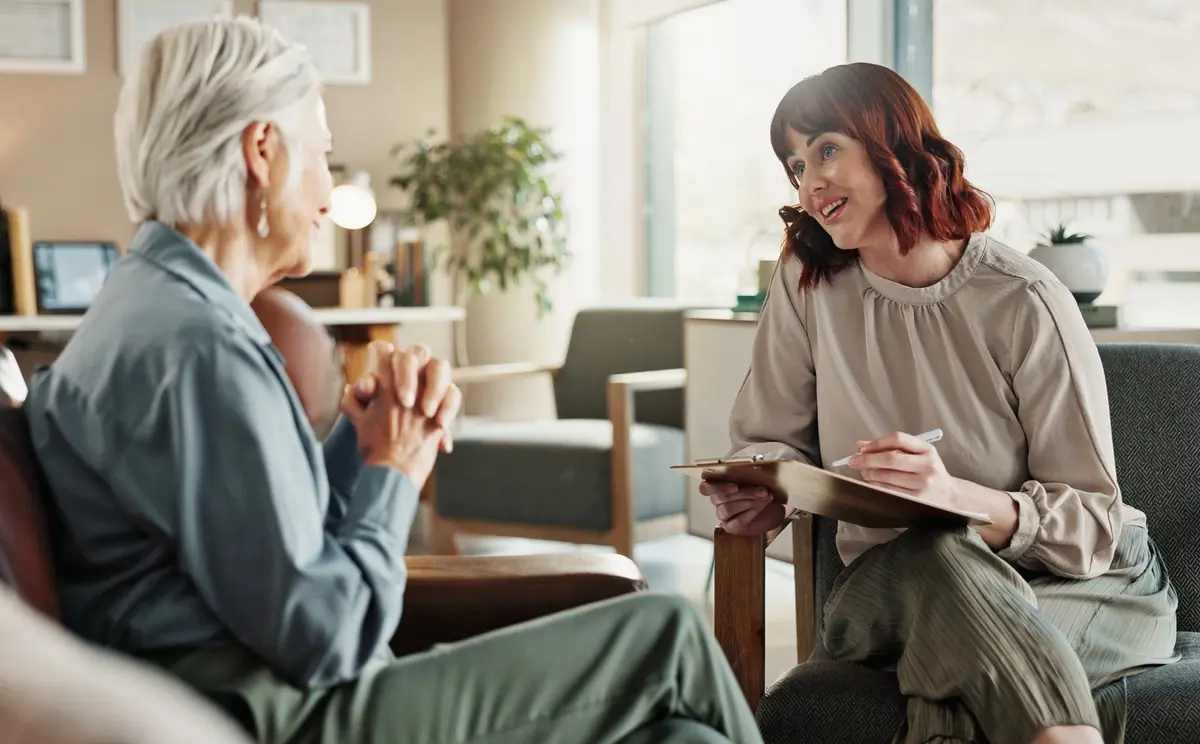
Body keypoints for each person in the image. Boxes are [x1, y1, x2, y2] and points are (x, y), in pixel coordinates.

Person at [21, 17, 761, 744]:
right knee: (667, 633)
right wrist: (393, 467)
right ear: (263, 150)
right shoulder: (197, 346)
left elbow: (256, 540)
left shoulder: (150, 305)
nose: (325, 187)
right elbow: (323, 634)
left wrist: (358, 441)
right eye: (322, 152)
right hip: (274, 708)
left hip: (252, 680)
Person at [702, 62, 1178, 744]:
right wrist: (765, 489)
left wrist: (952, 496)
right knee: (941, 556)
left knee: (963, 679)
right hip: (894, 586)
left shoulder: (1023, 298)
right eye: (795, 165)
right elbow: (768, 439)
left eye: (826, 149)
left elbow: (1095, 525)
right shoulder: (808, 289)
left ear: (892, 143)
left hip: (1091, 582)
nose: (809, 183)